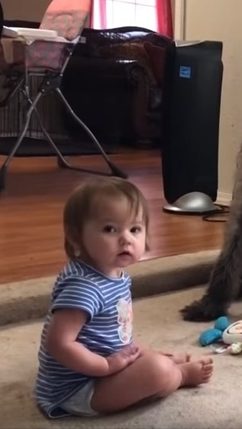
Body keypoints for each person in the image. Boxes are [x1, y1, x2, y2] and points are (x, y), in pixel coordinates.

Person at [34, 177, 214, 419]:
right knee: (158, 370)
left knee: (147, 356)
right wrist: (107, 366)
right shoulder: (84, 287)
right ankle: (180, 376)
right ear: (76, 237)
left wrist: (122, 358)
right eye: (110, 229)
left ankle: (160, 365)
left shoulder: (111, 272)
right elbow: (59, 344)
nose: (126, 239)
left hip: (104, 367)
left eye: (135, 229)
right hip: (78, 390)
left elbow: (111, 330)